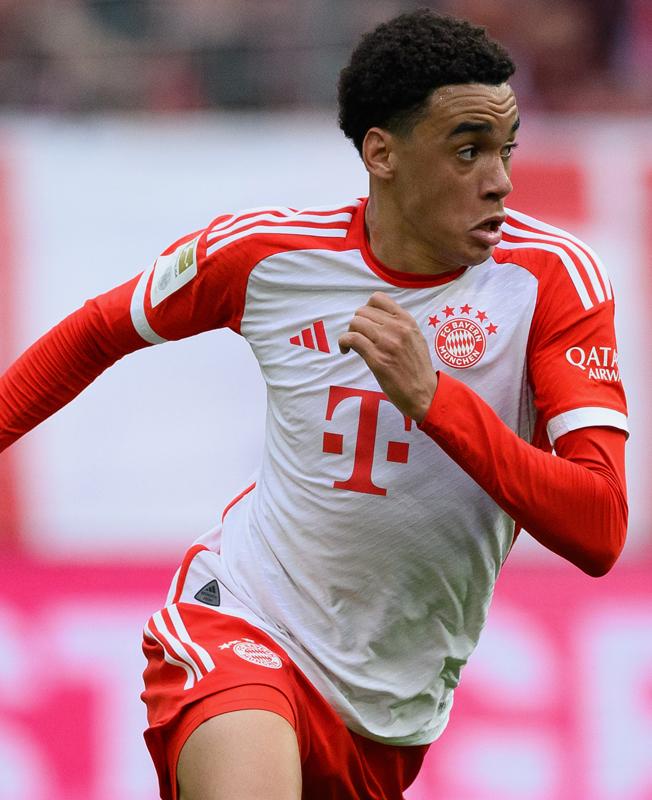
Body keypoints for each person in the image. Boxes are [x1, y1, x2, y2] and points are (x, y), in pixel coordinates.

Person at [0, 9, 628, 800]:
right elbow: (99, 330)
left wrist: (436, 401)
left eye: (506, 149)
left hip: (388, 716)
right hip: (244, 621)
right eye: (468, 150)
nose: (499, 179)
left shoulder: (555, 281)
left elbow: (599, 528)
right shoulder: (269, 256)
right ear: (382, 153)